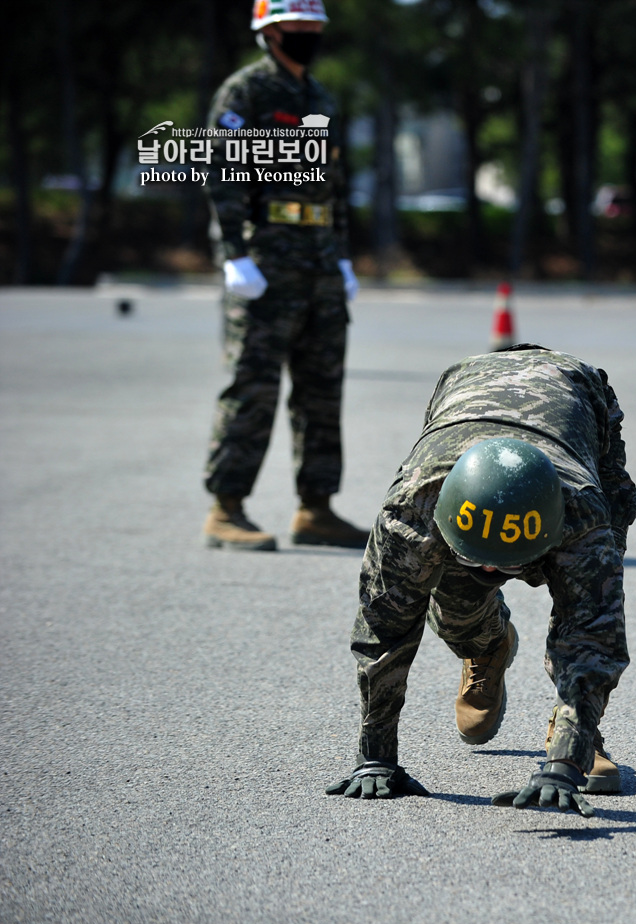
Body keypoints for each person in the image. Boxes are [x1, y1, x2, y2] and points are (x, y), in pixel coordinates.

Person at [325, 346, 636, 817]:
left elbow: (592, 637)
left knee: (593, 594)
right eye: (480, 560)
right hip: (466, 386)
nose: (494, 574)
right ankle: (487, 645)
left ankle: (578, 737)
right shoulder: (412, 514)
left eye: (509, 563)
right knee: (455, 605)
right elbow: (383, 630)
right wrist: (375, 756)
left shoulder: (581, 516)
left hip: (577, 397)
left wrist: (563, 768)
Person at [201, 0, 367, 552]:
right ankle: (226, 509)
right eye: (299, 27)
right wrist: (233, 254)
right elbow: (221, 176)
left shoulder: (318, 97)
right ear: (269, 31)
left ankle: (315, 509)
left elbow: (333, 185)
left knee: (322, 392)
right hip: (266, 262)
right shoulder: (244, 93)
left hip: (319, 261)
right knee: (252, 387)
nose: (309, 36)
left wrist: (342, 256)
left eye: (315, 27)